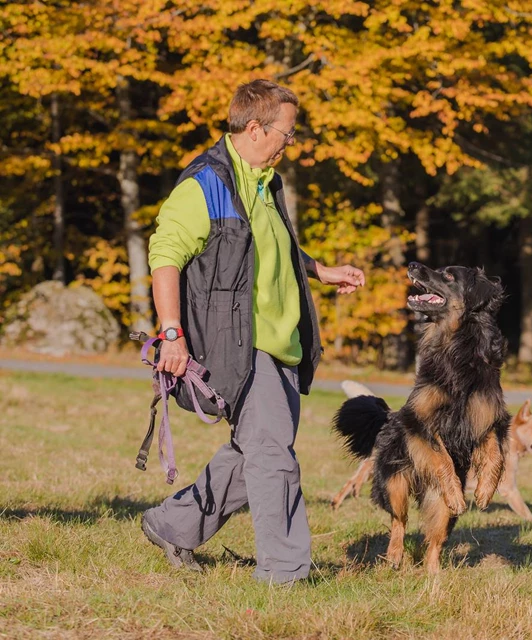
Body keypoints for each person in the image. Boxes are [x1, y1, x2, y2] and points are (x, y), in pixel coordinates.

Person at [140, 79, 365, 584]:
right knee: (271, 456)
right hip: (240, 345)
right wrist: (171, 333)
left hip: (283, 344)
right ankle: (286, 575)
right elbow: (166, 257)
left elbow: (269, 248)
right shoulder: (206, 185)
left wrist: (320, 271)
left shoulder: (265, 183)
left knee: (252, 453)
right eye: (288, 133)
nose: (292, 142)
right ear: (256, 127)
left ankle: (172, 524)